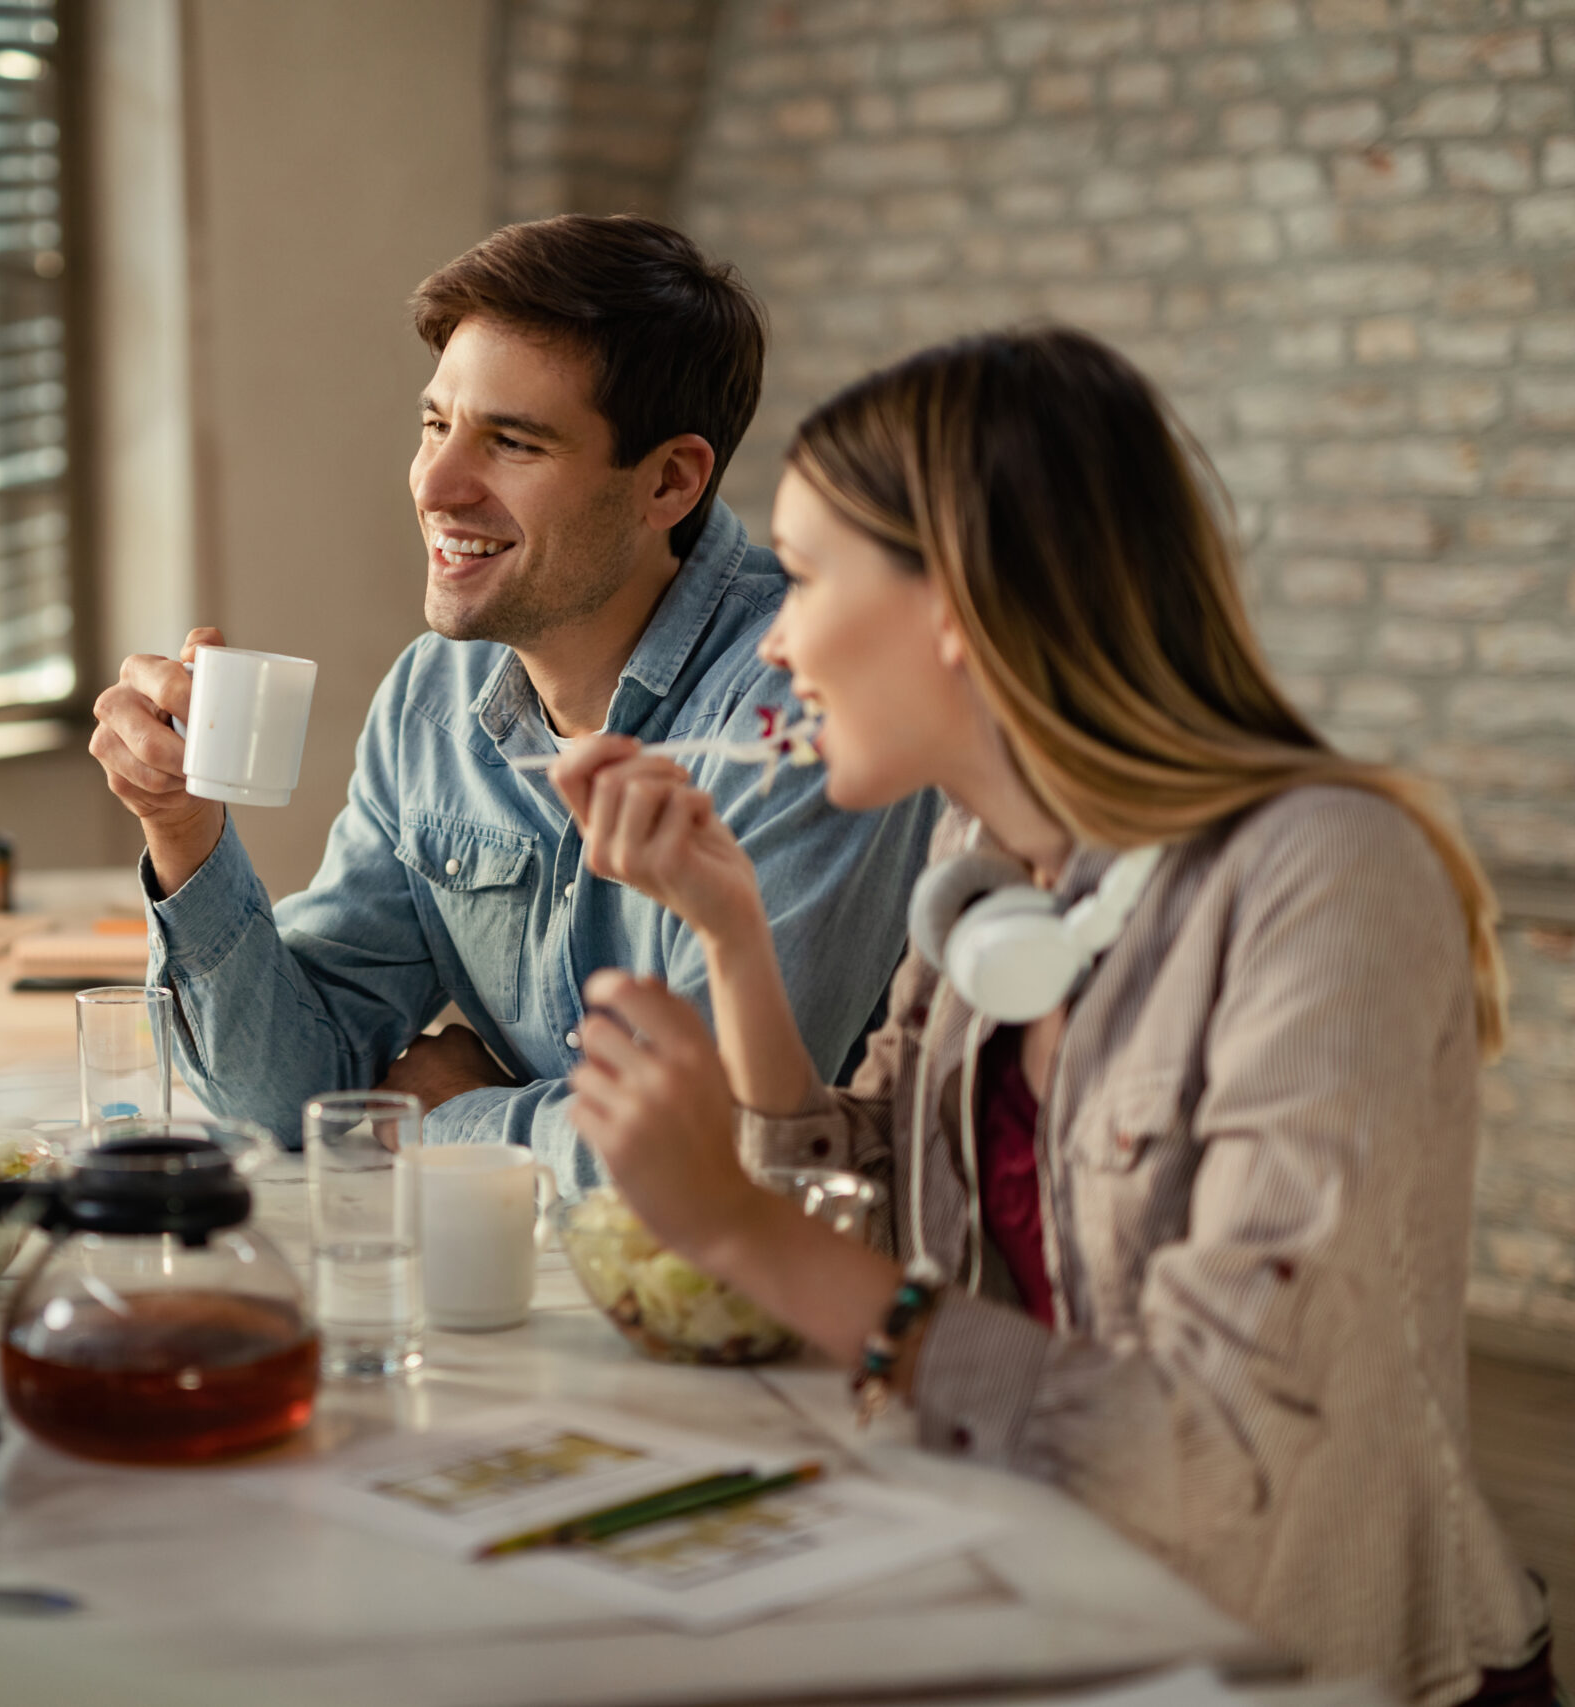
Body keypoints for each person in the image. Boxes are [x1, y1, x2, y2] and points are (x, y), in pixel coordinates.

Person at [552, 327, 1551, 1704]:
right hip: (1037, 1596)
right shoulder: (991, 861)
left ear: (957, 597)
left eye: (808, 573)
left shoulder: (1323, 876)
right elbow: (893, 1209)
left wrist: (736, 1223)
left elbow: (1215, 1451)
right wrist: (730, 929)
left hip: (1295, 1659)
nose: (777, 634)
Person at [88, 216, 938, 1184]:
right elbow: (290, 1094)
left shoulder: (806, 714)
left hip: (785, 1314)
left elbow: (721, 1153)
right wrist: (184, 829)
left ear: (668, 481)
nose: (436, 486)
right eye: (435, 425)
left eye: (512, 443)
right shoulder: (433, 697)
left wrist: (450, 1123)